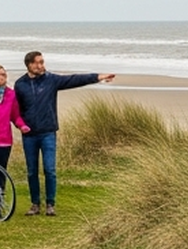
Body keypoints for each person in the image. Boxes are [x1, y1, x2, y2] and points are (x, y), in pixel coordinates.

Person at [12, 50, 115, 217]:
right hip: (29, 135)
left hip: (48, 133)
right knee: (32, 171)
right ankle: (35, 204)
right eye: (38, 62)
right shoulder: (20, 85)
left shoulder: (51, 80)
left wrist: (98, 77)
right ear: (29, 65)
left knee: (50, 169)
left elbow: (74, 79)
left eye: (42, 62)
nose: (41, 65)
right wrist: (20, 125)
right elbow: (16, 110)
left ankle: (50, 204)